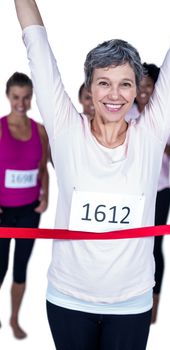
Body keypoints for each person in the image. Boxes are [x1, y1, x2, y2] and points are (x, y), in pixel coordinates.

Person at [14, 1, 170, 349]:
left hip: (131, 302)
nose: (114, 95)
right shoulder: (65, 131)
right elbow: (37, 48)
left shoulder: (149, 137)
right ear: (89, 89)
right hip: (69, 300)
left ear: (137, 90)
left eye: (125, 84)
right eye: (104, 83)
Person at [126, 63, 170, 324]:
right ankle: (129, 297)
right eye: (141, 86)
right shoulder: (127, 113)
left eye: (150, 86)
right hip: (133, 193)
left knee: (154, 247)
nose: (144, 91)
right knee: (132, 245)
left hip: (159, 191)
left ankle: (154, 305)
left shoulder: (169, 116)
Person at [0, 72, 49, 339]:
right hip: (3, 212)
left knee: (20, 267)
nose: (21, 102)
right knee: (0, 268)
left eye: (26, 97)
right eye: (16, 97)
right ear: (8, 96)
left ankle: (14, 319)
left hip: (30, 211)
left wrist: (46, 195)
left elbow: (44, 169)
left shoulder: (39, 130)